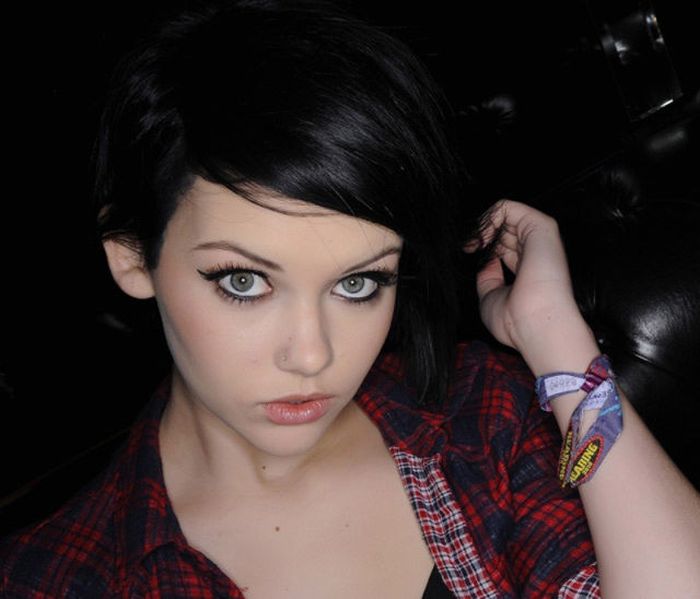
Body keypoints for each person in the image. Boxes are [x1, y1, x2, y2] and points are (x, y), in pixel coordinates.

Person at [2, 1, 699, 597]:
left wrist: (554, 334)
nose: (312, 355)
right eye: (244, 282)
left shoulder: (482, 419)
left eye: (358, 283)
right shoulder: (55, 578)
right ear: (132, 254)